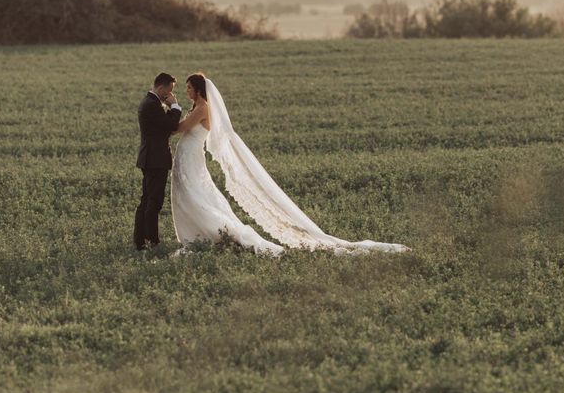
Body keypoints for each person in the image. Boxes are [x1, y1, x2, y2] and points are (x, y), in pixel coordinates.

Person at [170, 73, 410, 256]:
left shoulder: (202, 108)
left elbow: (179, 128)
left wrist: (172, 106)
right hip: (188, 156)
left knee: (195, 195)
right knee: (192, 194)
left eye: (189, 88)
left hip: (191, 156)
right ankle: (199, 234)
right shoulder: (200, 107)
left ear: (198, 90)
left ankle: (211, 233)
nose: (187, 91)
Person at [133, 72, 182, 250]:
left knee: (147, 200)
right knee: (153, 202)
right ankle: (151, 241)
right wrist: (175, 106)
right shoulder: (152, 105)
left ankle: (140, 240)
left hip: (151, 158)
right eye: (169, 91)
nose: (169, 95)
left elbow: (164, 125)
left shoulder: (151, 102)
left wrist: (170, 109)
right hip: (155, 160)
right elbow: (171, 125)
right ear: (161, 87)